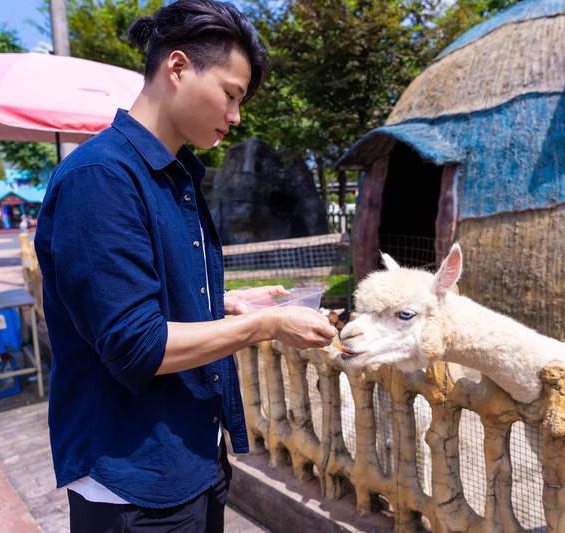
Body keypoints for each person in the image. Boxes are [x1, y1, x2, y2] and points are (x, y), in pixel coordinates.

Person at [33, 1, 338, 531]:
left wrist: (225, 302)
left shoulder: (174, 177)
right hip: (131, 478)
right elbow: (136, 344)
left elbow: (136, 293)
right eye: (231, 94)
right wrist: (263, 325)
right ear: (177, 68)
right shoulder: (100, 178)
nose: (236, 116)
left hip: (190, 456)